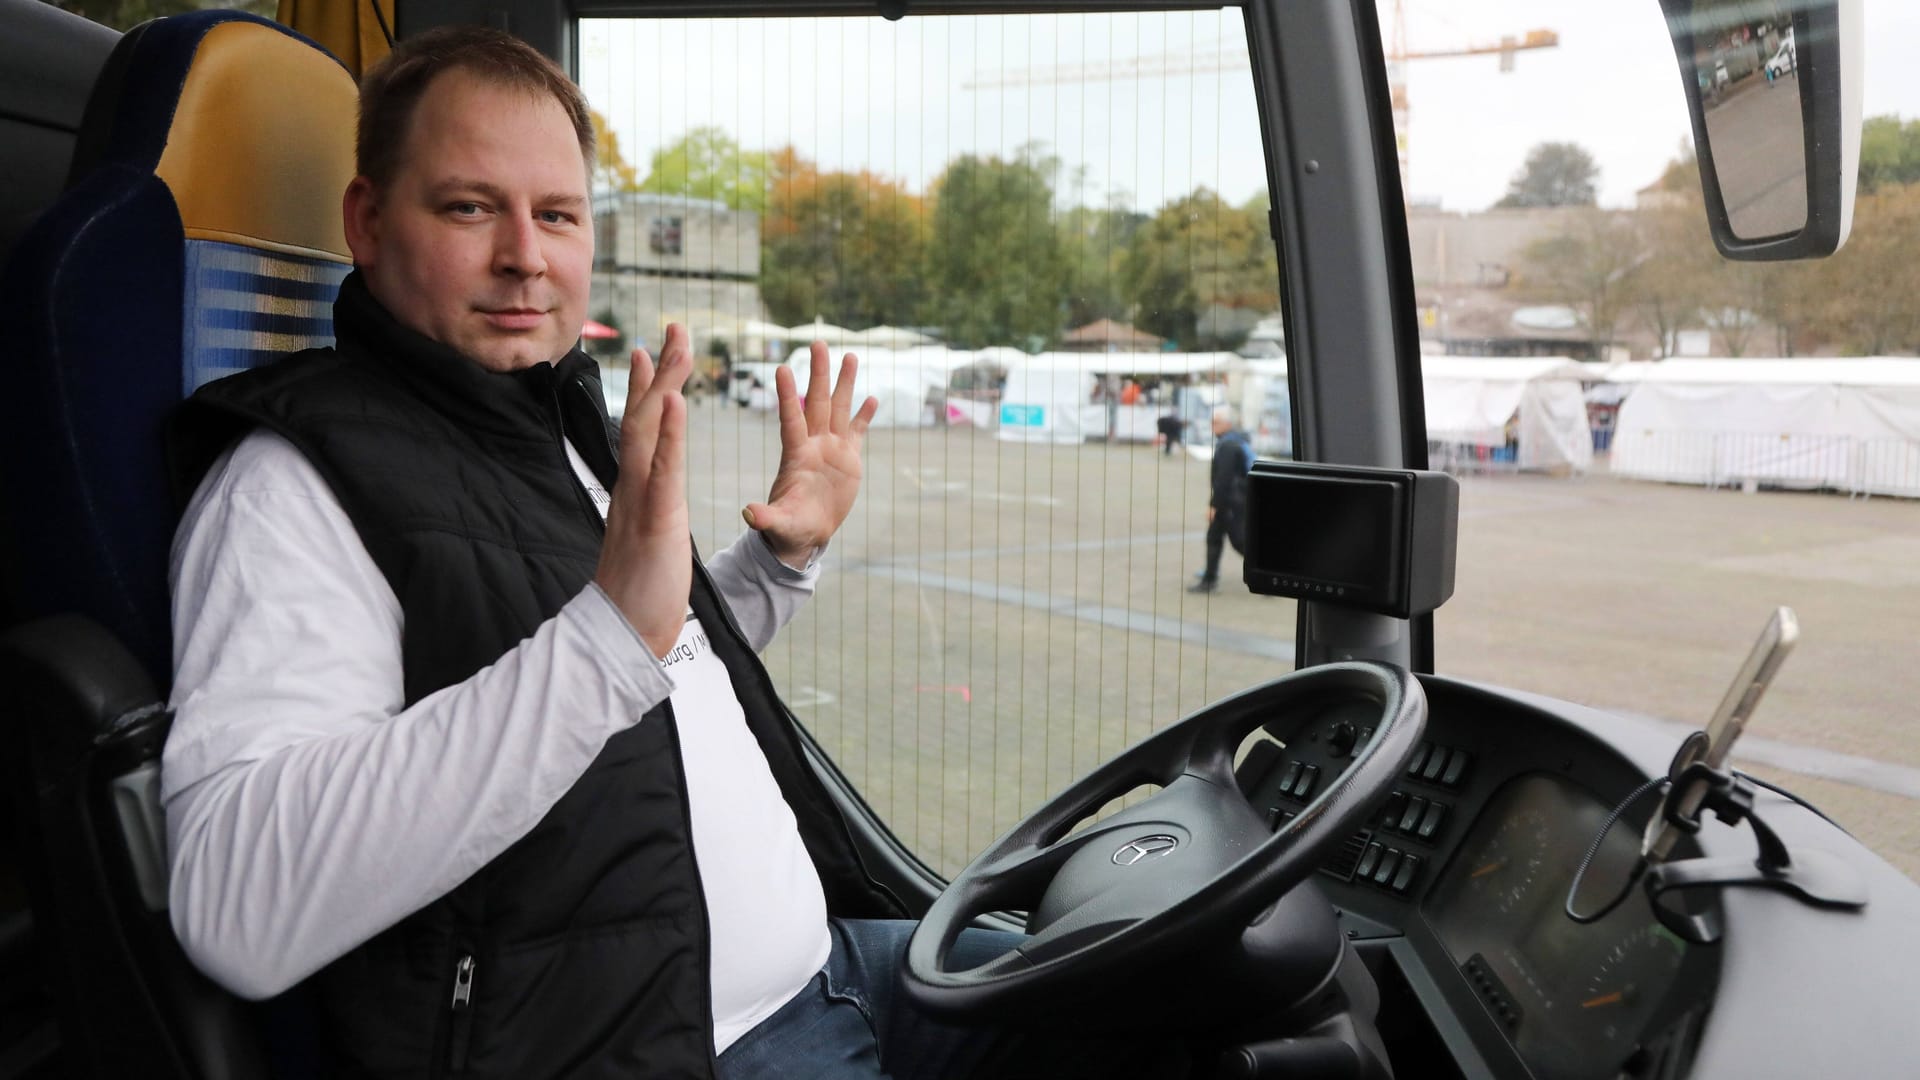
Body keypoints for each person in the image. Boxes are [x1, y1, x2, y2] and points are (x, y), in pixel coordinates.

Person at [160, 26, 1185, 1080]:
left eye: (557, 214)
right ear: (368, 224)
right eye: (471, 207)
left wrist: (772, 568)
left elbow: (640, 674)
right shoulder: (292, 486)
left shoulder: (556, 425)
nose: (526, 254)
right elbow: (236, 902)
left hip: (835, 970)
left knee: (1181, 1004)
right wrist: (613, 630)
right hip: (688, 1050)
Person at [1189, 405, 1254, 594]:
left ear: (1227, 424)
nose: (1212, 425)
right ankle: (1209, 578)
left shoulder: (1227, 446)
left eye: (1216, 422)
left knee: (1239, 541)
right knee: (1216, 537)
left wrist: (1214, 505)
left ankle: (1269, 571)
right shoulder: (1235, 441)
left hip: (1231, 501)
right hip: (1235, 499)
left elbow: (1224, 479)